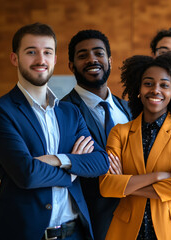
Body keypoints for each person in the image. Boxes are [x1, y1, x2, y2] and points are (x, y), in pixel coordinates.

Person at [0, 23, 109, 239]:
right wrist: (74, 171)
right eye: (31, 52)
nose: (40, 60)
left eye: (47, 52)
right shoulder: (0, 111)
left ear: (54, 59)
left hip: (76, 233)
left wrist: (57, 159)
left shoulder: (70, 112)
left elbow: (101, 161)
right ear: (14, 58)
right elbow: (26, 174)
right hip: (25, 234)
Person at [99, 53, 171, 240]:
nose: (155, 90)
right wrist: (158, 176)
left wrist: (126, 185)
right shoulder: (119, 132)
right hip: (128, 230)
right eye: (148, 83)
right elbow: (106, 186)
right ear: (138, 89)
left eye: (164, 85)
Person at [62, 29, 132, 240]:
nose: (92, 59)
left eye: (98, 53)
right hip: (92, 224)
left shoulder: (130, 109)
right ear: (71, 66)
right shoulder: (61, 112)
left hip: (135, 217)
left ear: (109, 60)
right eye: (82, 55)